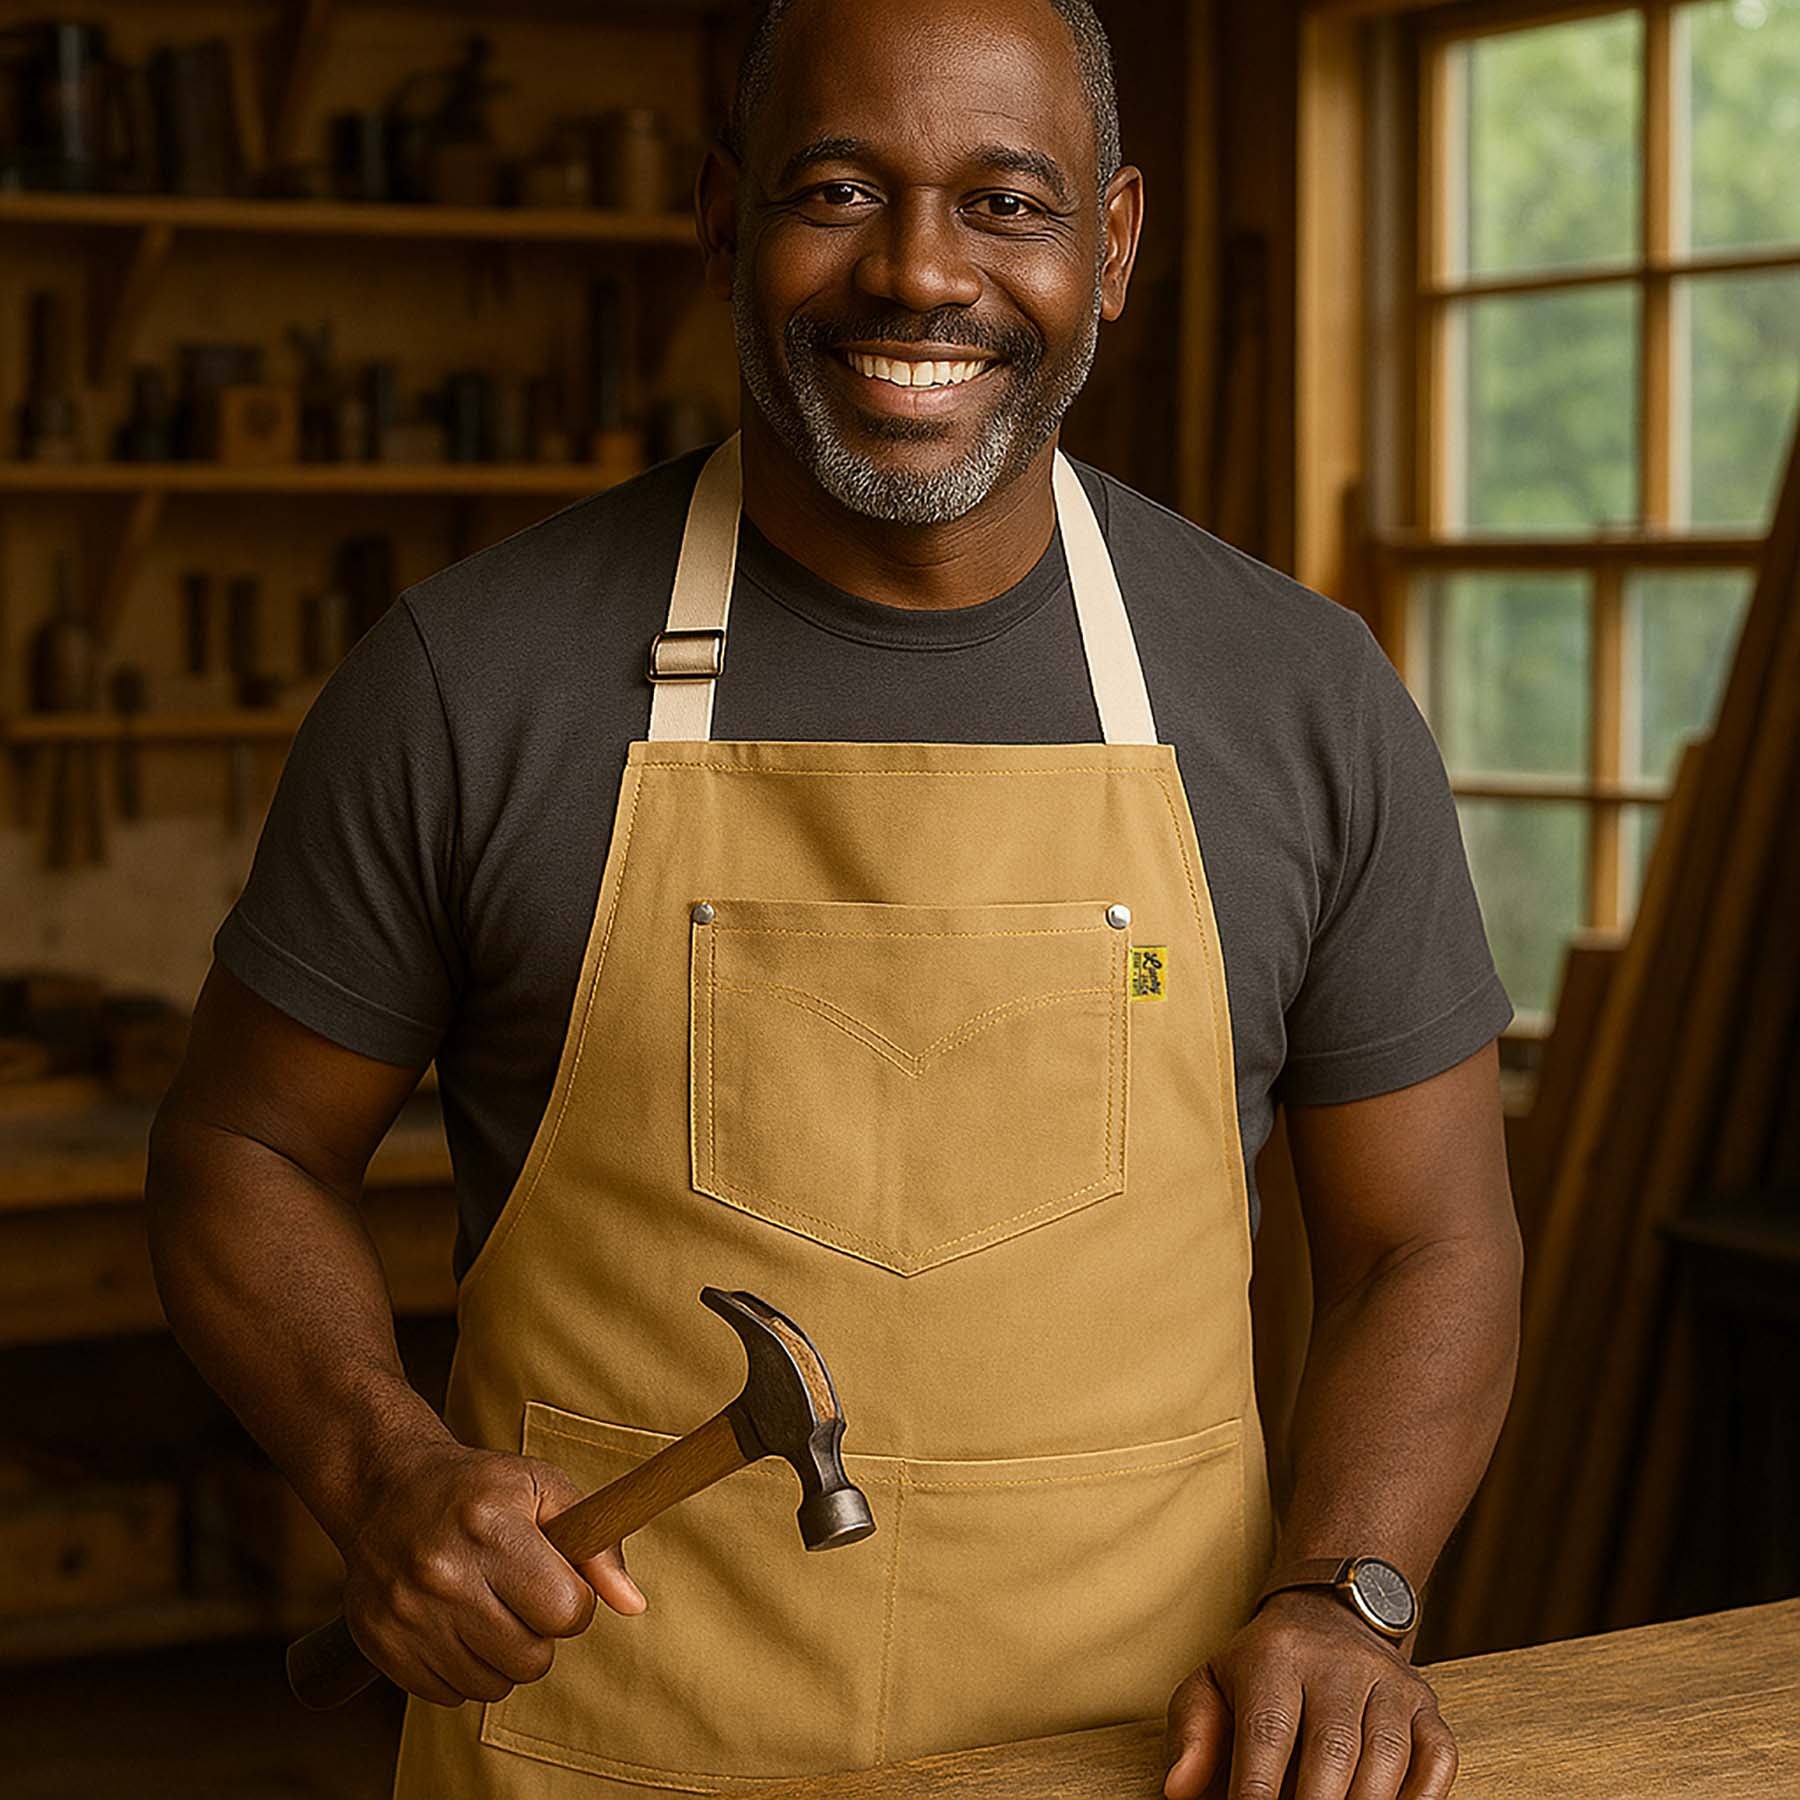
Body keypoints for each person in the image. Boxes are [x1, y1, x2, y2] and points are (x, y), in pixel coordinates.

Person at [146, 2, 1524, 1797]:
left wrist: (1349, 1598)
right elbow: (238, 1153)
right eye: (838, 188)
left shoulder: (1301, 698)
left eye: (1007, 204)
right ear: (724, 221)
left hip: (1141, 1759)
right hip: (613, 1755)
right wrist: (381, 1471)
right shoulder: (471, 682)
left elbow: (1435, 1244)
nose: (919, 273)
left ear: (1111, 246)